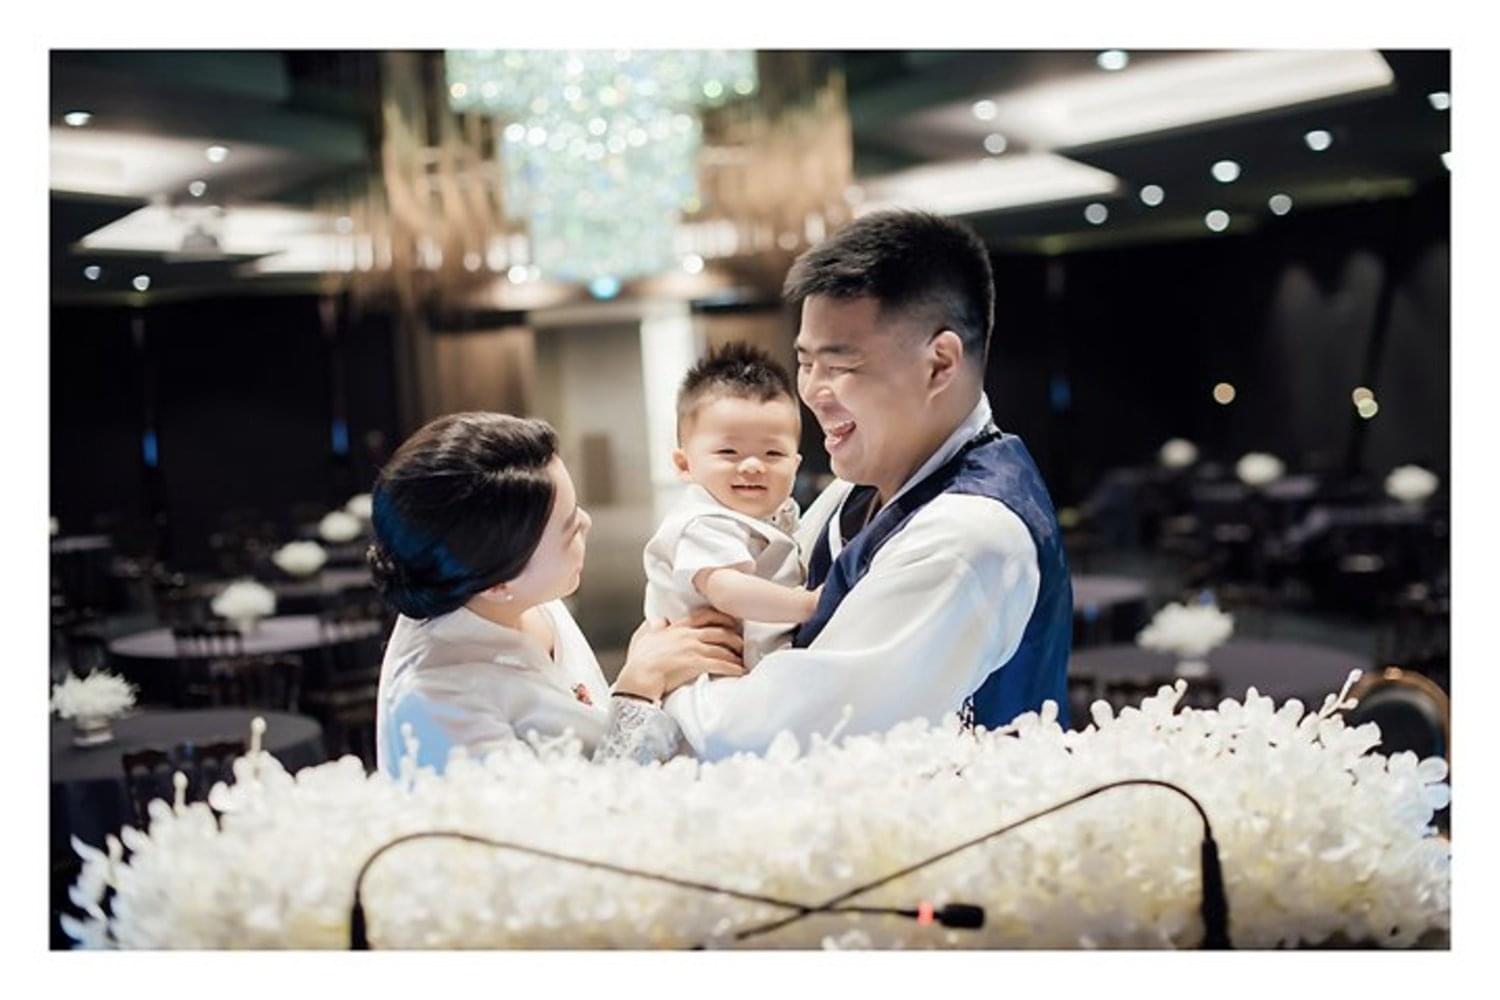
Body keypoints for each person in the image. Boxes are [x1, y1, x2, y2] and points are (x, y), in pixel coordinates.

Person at [665, 210, 1073, 760]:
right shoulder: (862, 484)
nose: (813, 392)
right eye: (805, 362)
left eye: (840, 366)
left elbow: (776, 739)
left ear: (939, 364)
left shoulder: (967, 534)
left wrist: (663, 674)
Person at [368, 412, 744, 776]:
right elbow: (561, 814)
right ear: (498, 585)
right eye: (569, 530)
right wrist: (638, 691)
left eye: (577, 509)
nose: (587, 523)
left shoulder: (521, 594)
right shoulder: (437, 702)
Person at [643, 342, 820, 669]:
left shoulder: (775, 513)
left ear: (795, 465)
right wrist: (808, 605)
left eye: (773, 454)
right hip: (707, 677)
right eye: (729, 452)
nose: (753, 466)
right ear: (684, 464)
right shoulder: (702, 522)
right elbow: (727, 590)